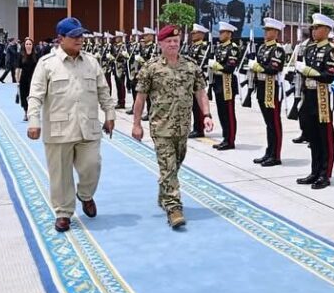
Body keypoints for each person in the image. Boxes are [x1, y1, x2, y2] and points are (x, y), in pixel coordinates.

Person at [27, 18, 115, 232]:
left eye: (81, 35)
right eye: (74, 36)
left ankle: (85, 195)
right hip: (59, 130)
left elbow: (103, 90)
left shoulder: (92, 62)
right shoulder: (47, 64)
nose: (80, 39)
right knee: (60, 175)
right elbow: (35, 96)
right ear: (61, 38)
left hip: (88, 127)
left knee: (92, 166)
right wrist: (34, 121)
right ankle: (63, 212)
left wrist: (110, 113)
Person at [132, 25, 213, 228]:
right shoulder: (151, 67)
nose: (173, 44)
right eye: (169, 41)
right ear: (160, 43)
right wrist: (136, 125)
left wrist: (207, 115)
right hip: (161, 127)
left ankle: (164, 192)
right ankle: (173, 207)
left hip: (183, 126)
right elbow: (140, 98)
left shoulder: (191, 66)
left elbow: (201, 92)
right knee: (168, 168)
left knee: (175, 165)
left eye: (176, 41)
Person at [294, 14, 334, 189]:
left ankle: (325, 174)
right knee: (312, 136)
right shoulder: (309, 48)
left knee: (324, 137)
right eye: (312, 28)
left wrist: (308, 70)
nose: (313, 30)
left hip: (322, 97)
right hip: (309, 95)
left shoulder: (331, 50)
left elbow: (328, 76)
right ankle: (314, 171)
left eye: (317, 27)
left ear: (327, 30)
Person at [248, 18, 287, 166]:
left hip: (272, 88)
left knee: (274, 122)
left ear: (276, 32)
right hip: (262, 87)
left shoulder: (277, 49)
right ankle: (269, 152)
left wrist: (257, 67)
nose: (266, 32)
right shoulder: (262, 48)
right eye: (265, 30)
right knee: (268, 123)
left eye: (269, 30)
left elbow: (273, 68)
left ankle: (275, 155)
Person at [209, 22, 240, 150]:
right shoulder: (219, 47)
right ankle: (225, 138)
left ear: (229, 34)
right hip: (218, 83)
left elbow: (230, 67)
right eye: (220, 32)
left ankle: (230, 140)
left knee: (229, 113)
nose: (220, 35)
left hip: (227, 83)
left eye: (222, 32)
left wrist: (217, 66)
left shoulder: (233, 48)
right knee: (221, 112)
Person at [186, 23, 211, 138]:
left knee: (198, 104)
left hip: (198, 78)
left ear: (201, 34)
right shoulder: (192, 46)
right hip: (190, 78)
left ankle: (200, 128)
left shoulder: (203, 47)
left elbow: (201, 63)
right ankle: (196, 127)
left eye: (195, 33)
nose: (193, 35)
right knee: (193, 105)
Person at [17, 38, 39, 122]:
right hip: (24, 78)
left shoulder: (36, 55)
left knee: (33, 96)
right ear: (24, 45)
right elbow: (18, 68)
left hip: (34, 78)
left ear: (32, 45)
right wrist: (17, 80)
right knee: (24, 96)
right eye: (27, 44)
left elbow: (40, 67)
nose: (28, 46)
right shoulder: (21, 55)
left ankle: (33, 113)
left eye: (30, 44)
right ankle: (26, 112)